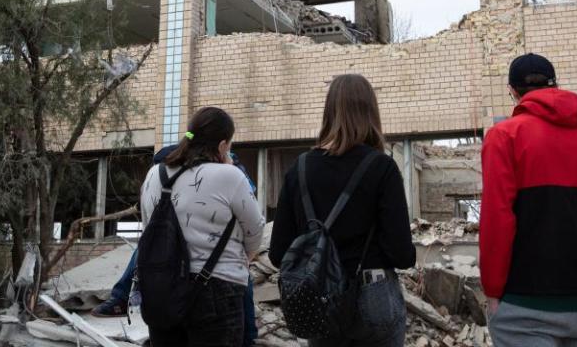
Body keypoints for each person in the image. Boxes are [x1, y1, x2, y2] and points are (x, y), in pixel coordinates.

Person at [480, 53, 577, 347]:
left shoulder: (504, 137)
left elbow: (498, 219)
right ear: (556, 85)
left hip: (523, 309)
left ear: (512, 91)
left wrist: (493, 291)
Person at [269, 73, 415, 347]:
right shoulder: (382, 167)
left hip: (319, 301)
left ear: (328, 112)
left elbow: (278, 254)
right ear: (371, 113)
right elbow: (402, 254)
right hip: (373, 297)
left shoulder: (299, 170)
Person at [92, 146, 260, 347]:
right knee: (148, 249)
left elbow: (252, 222)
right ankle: (120, 296)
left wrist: (246, 257)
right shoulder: (167, 173)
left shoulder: (230, 170)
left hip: (219, 260)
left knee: (240, 279)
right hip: (183, 256)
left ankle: (249, 336)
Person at [140, 107, 266, 347]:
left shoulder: (155, 174)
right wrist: (246, 256)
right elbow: (255, 230)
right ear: (222, 145)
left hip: (162, 288)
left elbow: (149, 231)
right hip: (218, 290)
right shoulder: (230, 176)